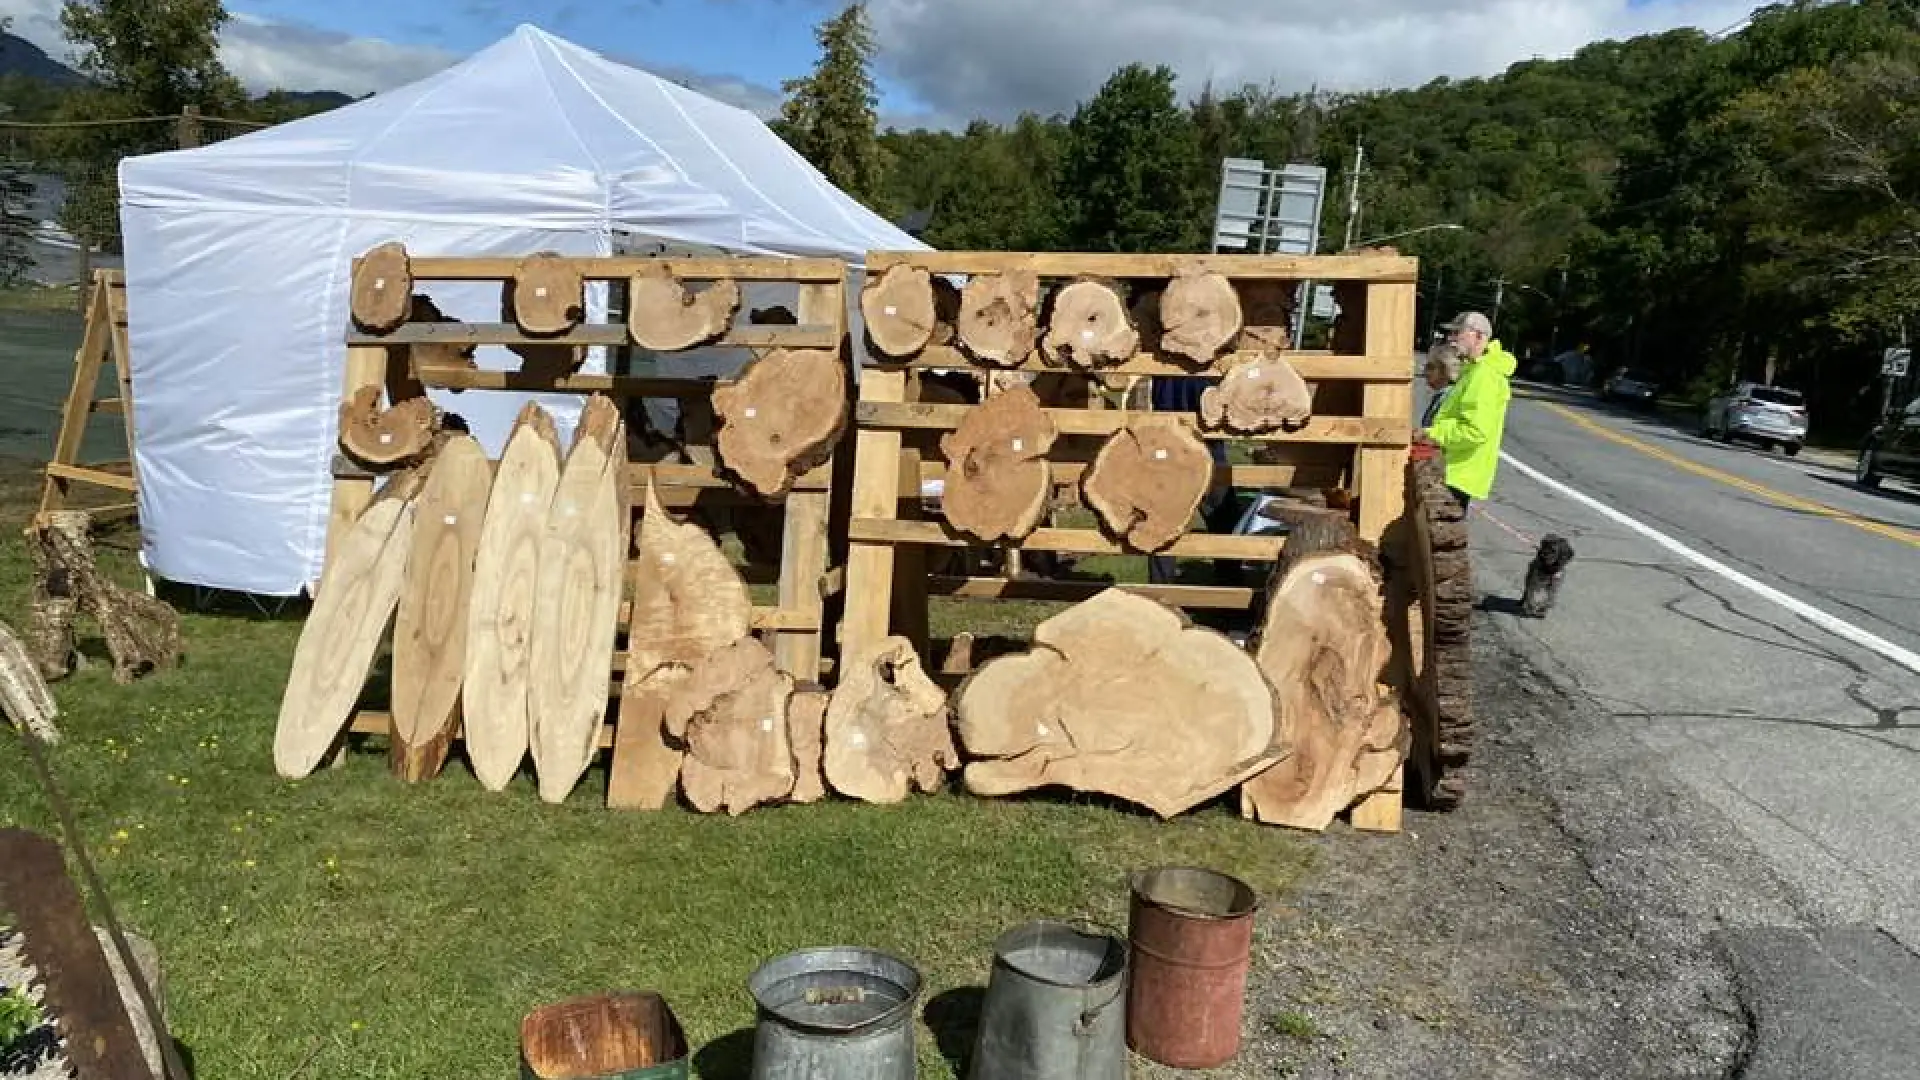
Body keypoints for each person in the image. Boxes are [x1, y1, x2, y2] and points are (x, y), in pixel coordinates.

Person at [1418, 311, 1515, 510]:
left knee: (1436, 534)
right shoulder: (1474, 369)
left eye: (1458, 333)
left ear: (1479, 336)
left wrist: (1431, 434)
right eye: (1450, 333)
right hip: (1452, 470)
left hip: (1457, 474)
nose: (1451, 338)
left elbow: (1475, 430)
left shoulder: (1485, 375)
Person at [1420, 342, 1463, 427]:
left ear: (1446, 370)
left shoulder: (1449, 398)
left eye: (1431, 367)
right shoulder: (1442, 396)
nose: (1425, 372)